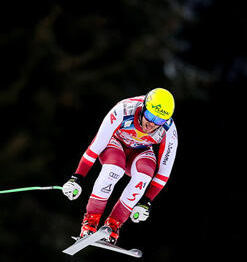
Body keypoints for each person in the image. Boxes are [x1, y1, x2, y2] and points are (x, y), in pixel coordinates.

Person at [61, 88, 179, 245]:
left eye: (158, 120)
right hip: (115, 145)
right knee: (113, 169)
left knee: (145, 175)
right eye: (150, 116)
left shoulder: (169, 130)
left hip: (140, 152)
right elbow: (95, 147)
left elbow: (164, 172)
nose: (151, 123)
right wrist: (77, 177)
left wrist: (146, 202)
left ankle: (113, 226)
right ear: (143, 107)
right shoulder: (124, 109)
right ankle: (90, 223)